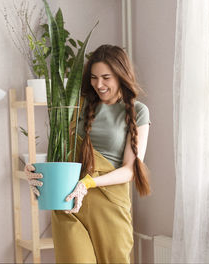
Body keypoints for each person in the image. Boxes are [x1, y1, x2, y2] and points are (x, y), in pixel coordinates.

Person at [25, 44, 151, 263]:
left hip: (109, 205)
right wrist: (36, 170)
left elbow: (130, 170)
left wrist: (88, 183)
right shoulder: (78, 105)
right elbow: (62, 153)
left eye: (106, 77)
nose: (98, 85)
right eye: (93, 77)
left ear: (121, 75)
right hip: (69, 202)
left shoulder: (138, 111)